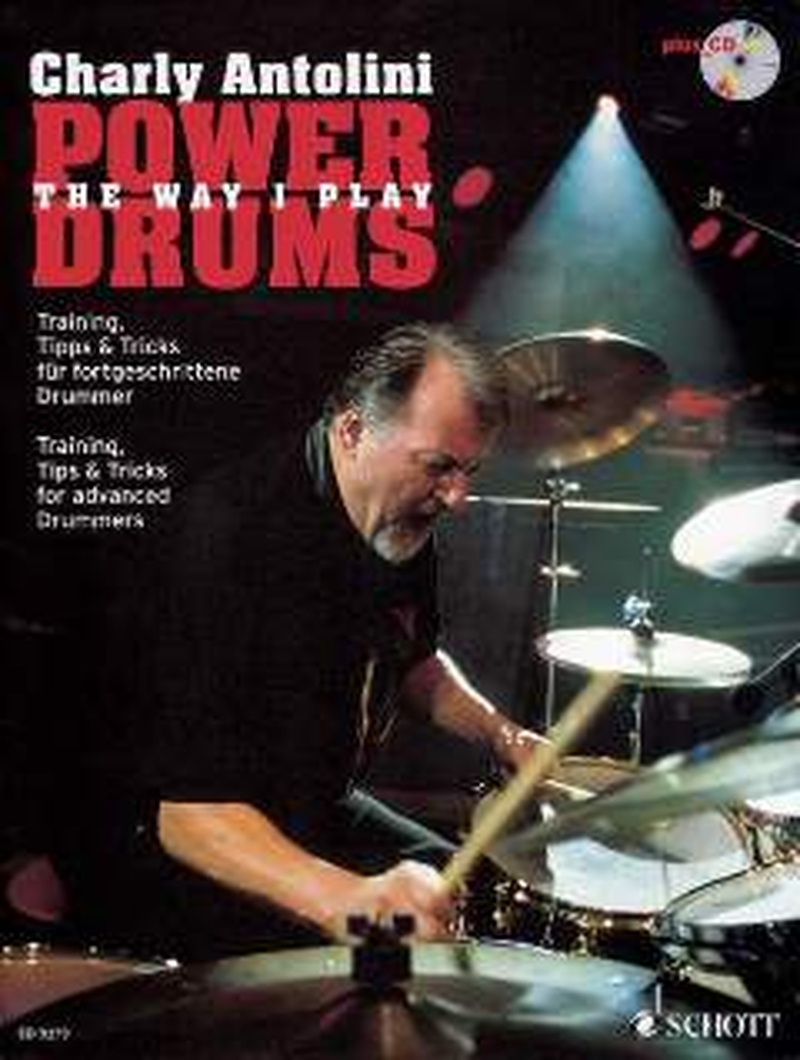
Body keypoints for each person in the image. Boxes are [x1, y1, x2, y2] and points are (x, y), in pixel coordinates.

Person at [52, 322, 547, 962]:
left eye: (469, 470)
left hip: (309, 805)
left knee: (468, 895)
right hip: (172, 846)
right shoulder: (226, 538)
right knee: (388, 964)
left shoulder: (400, 520)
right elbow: (188, 815)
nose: (458, 497)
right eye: (439, 467)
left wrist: (500, 733)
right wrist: (350, 900)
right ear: (353, 430)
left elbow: (409, 657)